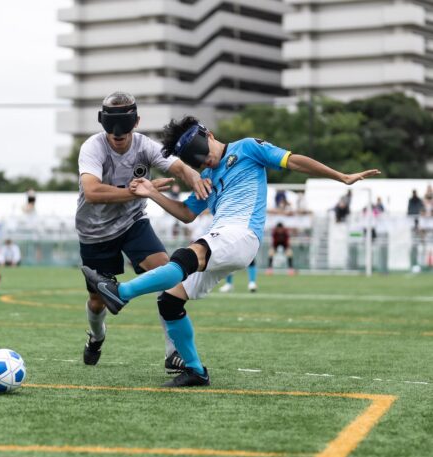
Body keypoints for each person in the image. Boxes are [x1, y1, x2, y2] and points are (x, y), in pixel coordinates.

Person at [83, 116, 379, 387]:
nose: (204, 159)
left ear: (208, 134)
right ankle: (195, 371)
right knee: (171, 300)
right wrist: (152, 193)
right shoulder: (208, 180)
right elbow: (187, 213)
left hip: (242, 233)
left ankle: (120, 294)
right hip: (222, 237)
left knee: (185, 257)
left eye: (201, 149)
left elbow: (294, 161)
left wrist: (341, 176)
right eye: (194, 159)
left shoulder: (248, 148)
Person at [76, 91, 212, 372]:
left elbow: (177, 166)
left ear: (136, 122)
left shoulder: (144, 146)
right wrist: (136, 191)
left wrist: (194, 176)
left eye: (124, 128)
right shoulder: (93, 148)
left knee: (168, 272)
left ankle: (173, 354)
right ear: (102, 123)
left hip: (132, 224)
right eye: (112, 128)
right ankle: (97, 336)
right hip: (95, 232)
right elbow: (91, 191)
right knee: (97, 300)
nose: (118, 135)